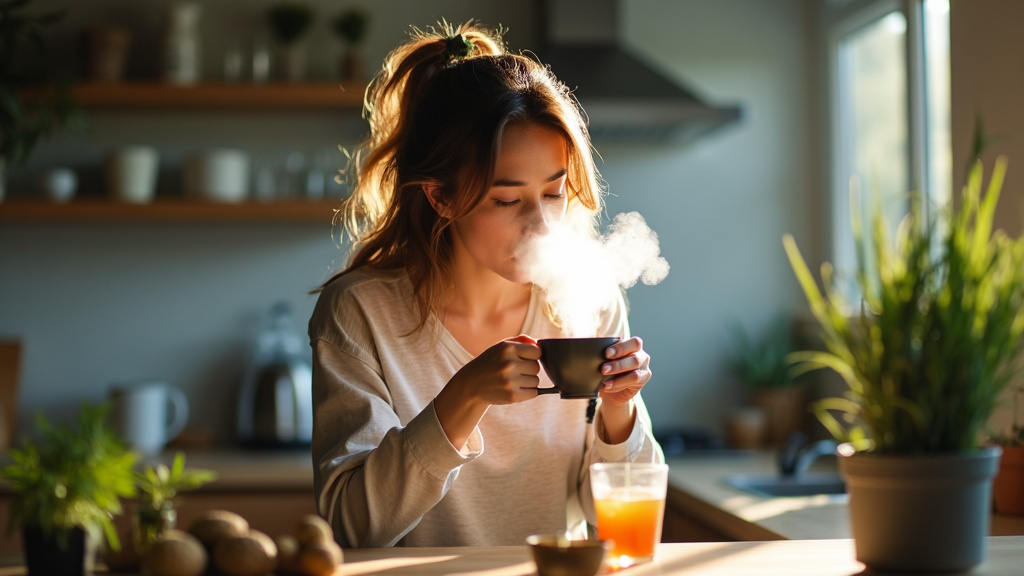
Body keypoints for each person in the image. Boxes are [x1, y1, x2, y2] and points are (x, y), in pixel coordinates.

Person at [308, 21, 664, 549]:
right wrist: (464, 397)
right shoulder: (361, 312)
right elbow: (353, 527)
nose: (542, 225)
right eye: (506, 199)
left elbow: (615, 520)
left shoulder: (586, 297)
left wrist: (620, 408)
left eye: (554, 193)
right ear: (440, 198)